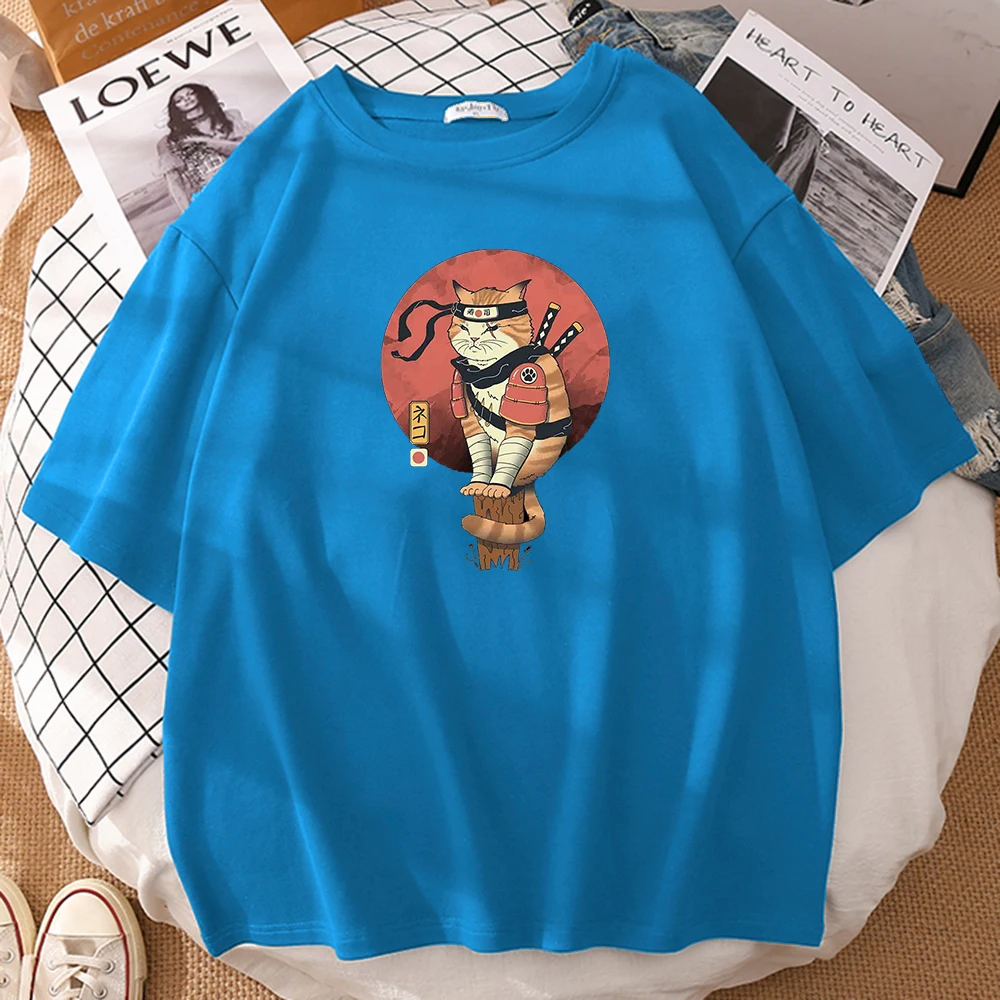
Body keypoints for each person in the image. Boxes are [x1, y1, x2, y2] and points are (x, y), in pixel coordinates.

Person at [156, 83, 254, 212]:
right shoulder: (169, 141)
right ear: (175, 108)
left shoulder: (230, 118)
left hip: (248, 184)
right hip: (212, 200)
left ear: (201, 94)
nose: (186, 99)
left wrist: (206, 142)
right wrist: (189, 215)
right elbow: (175, 185)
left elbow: (250, 152)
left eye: (190, 94)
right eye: (179, 100)